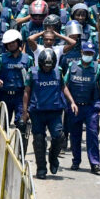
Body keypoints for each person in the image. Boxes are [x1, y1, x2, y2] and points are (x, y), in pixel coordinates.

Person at [63, 40, 100, 173]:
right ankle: (76, 161)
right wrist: (71, 102)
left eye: (90, 53)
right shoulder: (72, 66)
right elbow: (64, 86)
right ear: (81, 52)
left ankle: (95, 163)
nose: (88, 55)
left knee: (92, 134)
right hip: (75, 107)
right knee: (75, 135)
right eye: (86, 52)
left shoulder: (98, 68)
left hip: (91, 106)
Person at [23, 48, 66, 179]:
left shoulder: (58, 72)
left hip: (54, 111)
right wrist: (25, 112)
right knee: (39, 141)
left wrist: (72, 102)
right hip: (37, 112)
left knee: (59, 136)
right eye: (45, 66)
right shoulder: (32, 72)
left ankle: (53, 158)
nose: (47, 68)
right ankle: (41, 168)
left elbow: (64, 87)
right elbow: (27, 92)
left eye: (50, 66)